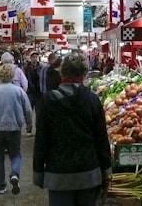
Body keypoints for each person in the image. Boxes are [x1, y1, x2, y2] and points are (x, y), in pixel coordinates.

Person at [33, 53, 112, 206]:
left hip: (58, 174)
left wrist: (38, 171)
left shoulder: (48, 101)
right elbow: (101, 138)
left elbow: (42, 139)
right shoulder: (92, 99)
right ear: (84, 73)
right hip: (89, 173)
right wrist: (106, 169)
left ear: (61, 72)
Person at [0, 63, 33, 195]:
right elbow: (28, 110)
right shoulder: (19, 91)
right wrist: (29, 125)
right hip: (14, 128)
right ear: (12, 76)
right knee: (15, 154)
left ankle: (1, 186)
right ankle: (14, 173)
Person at [23, 51, 42, 136]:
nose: (34, 58)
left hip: (39, 92)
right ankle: (28, 129)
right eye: (33, 57)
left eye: (36, 57)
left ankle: (38, 129)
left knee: (39, 112)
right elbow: (24, 78)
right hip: (30, 92)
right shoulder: (26, 68)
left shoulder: (41, 67)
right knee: (28, 111)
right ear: (30, 58)